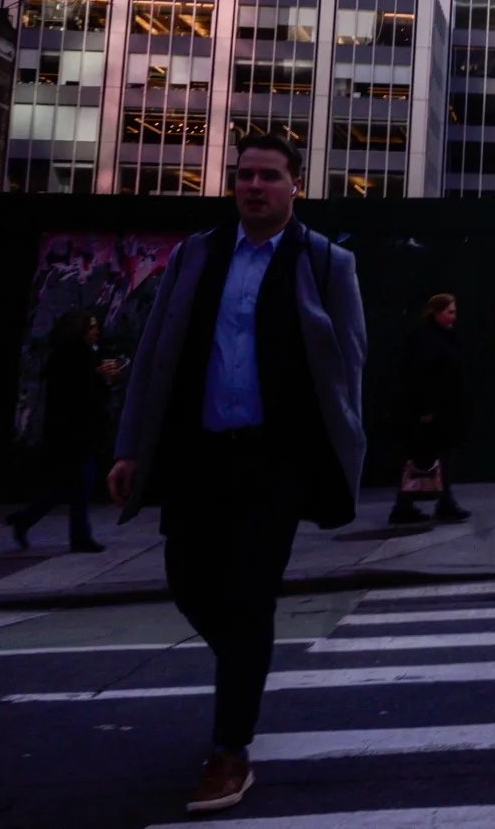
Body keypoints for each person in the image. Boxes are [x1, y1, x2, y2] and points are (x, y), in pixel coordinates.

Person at [106, 134, 366, 816]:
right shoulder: (195, 255)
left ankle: (229, 750)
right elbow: (156, 353)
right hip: (199, 456)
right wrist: (130, 447)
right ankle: (243, 666)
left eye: (270, 176)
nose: (255, 186)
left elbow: (349, 365)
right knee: (189, 581)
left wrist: (345, 450)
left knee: (250, 596)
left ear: (294, 186)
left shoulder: (325, 261)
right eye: (245, 175)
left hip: (274, 461)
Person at [7, 309, 117, 553]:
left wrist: (103, 379)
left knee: (70, 486)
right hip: (71, 432)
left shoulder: (85, 356)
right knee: (80, 483)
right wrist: (99, 379)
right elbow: (75, 397)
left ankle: (26, 519)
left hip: (77, 431)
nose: (95, 332)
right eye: (90, 328)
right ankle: (78, 536)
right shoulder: (69, 359)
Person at [389, 293, 470, 524]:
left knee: (429, 458)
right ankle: (408, 505)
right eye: (449, 312)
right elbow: (421, 375)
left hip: (439, 409)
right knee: (422, 458)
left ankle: (435, 503)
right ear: (436, 312)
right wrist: (425, 408)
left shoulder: (439, 336)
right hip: (431, 411)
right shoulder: (427, 339)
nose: (453, 316)